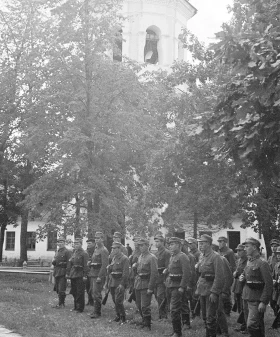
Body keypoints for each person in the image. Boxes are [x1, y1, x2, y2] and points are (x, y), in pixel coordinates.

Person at [239, 237, 273, 337]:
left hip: (256, 299)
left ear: (254, 247)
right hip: (246, 297)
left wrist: (263, 301)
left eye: (247, 246)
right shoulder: (249, 262)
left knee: (251, 325)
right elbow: (248, 276)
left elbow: (268, 284)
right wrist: (242, 278)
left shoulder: (262, 263)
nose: (244, 249)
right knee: (256, 325)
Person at [196, 234, 225, 337]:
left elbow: (219, 276)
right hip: (203, 289)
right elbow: (201, 274)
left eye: (202, 243)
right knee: (204, 316)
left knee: (210, 317)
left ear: (209, 244)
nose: (200, 245)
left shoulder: (215, 257)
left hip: (211, 290)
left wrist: (214, 292)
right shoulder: (202, 256)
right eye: (199, 243)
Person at [165, 237, 191, 337]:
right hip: (170, 285)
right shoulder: (173, 256)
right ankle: (175, 330)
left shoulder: (182, 257)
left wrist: (182, 286)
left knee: (174, 309)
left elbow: (187, 273)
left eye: (172, 244)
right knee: (172, 309)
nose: (170, 246)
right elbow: (171, 269)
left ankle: (178, 332)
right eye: (170, 244)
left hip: (177, 286)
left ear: (179, 245)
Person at [134, 237, 158, 331]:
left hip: (146, 283)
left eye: (142, 245)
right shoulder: (140, 256)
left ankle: (148, 324)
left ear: (147, 246)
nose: (140, 247)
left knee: (145, 305)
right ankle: (144, 321)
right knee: (139, 304)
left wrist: (150, 287)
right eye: (139, 245)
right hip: (139, 283)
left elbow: (154, 273)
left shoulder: (152, 257)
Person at [88, 231, 109, 318]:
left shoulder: (104, 250)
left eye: (98, 238)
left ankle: (97, 312)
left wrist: (100, 276)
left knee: (97, 293)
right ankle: (95, 310)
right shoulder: (96, 249)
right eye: (96, 238)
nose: (96, 240)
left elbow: (104, 265)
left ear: (102, 239)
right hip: (93, 273)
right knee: (93, 292)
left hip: (98, 275)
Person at [108, 242, 130, 323]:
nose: (113, 250)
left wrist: (122, 284)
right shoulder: (114, 258)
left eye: (115, 248)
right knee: (114, 300)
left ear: (119, 249)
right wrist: (109, 268)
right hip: (113, 281)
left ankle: (123, 317)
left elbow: (126, 273)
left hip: (120, 282)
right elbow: (112, 270)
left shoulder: (124, 258)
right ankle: (118, 315)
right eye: (112, 248)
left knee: (118, 301)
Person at [68, 236, 89, 313]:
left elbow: (86, 266)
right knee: (74, 291)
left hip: (80, 274)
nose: (75, 245)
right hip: (73, 274)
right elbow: (71, 262)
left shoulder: (84, 253)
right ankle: (75, 306)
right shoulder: (74, 253)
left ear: (81, 244)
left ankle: (80, 308)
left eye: (77, 244)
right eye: (75, 244)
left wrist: (85, 275)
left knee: (80, 292)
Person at [52, 236, 72, 308]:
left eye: (62, 242)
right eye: (59, 242)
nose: (60, 243)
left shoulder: (67, 252)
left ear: (64, 243)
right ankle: (60, 303)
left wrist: (68, 273)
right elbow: (55, 260)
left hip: (63, 272)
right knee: (57, 288)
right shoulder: (57, 251)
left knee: (61, 288)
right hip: (57, 271)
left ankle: (62, 303)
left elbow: (69, 263)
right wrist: (54, 262)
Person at [154, 233, 171, 320]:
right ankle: (162, 313)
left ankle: (163, 316)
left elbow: (168, 266)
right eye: (155, 242)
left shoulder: (167, 253)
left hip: (163, 278)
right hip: (156, 278)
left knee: (161, 296)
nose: (156, 243)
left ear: (162, 242)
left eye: (157, 242)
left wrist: (166, 274)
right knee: (157, 296)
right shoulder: (156, 253)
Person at [217, 236, 235, 316]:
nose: (220, 243)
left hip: (227, 275)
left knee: (226, 294)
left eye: (222, 241)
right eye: (219, 241)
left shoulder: (229, 252)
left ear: (225, 242)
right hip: (220, 275)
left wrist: (231, 276)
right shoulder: (218, 251)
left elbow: (232, 265)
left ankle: (227, 311)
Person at [181, 239, 196, 329]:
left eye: (182, 245)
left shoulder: (190, 257)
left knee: (185, 302)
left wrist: (189, 285)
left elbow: (192, 272)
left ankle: (186, 323)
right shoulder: (178, 255)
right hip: (179, 283)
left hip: (187, 283)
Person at [232, 244, 248, 333]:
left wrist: (237, 273)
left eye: (240, 250)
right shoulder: (239, 260)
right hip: (237, 286)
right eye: (237, 250)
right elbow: (237, 270)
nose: (237, 252)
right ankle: (243, 325)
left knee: (244, 307)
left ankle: (245, 326)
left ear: (245, 251)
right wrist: (235, 273)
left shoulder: (247, 261)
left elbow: (244, 273)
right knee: (239, 306)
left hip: (243, 286)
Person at [272, 246, 280, 328]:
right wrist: (274, 281)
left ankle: (276, 325)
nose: (278, 255)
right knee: (274, 304)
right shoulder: (276, 265)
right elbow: (273, 277)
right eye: (277, 254)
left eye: (279, 254)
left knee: (278, 305)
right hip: (277, 289)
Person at [85, 236, 95, 306]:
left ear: (94, 244)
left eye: (90, 243)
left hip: (93, 271)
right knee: (87, 286)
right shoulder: (86, 251)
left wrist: (90, 262)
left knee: (92, 287)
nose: (88, 245)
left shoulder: (96, 251)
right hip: (87, 271)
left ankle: (93, 301)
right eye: (88, 243)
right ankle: (89, 300)